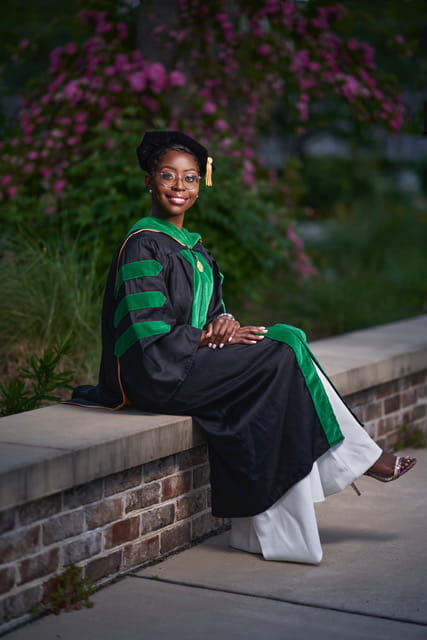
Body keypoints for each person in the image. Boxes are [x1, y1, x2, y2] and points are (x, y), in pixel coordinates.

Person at [69, 130, 416, 564]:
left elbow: (213, 313)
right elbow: (146, 330)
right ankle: (356, 457)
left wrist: (225, 321)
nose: (180, 187)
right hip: (159, 371)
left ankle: (347, 462)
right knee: (281, 350)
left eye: (191, 178)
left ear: (201, 184)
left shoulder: (194, 249)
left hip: (190, 362)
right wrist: (206, 335)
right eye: (168, 175)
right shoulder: (143, 244)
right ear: (148, 181)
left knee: (286, 340)